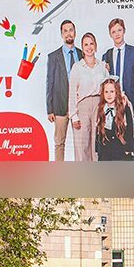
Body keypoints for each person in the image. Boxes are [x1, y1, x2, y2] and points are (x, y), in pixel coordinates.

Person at [103, 18, 134, 134]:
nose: (117, 34)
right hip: (112, 102)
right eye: (113, 32)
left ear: (124, 31)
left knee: (130, 136)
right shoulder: (106, 55)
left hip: (131, 101)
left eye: (119, 30)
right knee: (113, 137)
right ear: (110, 35)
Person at [43, 20, 80, 161]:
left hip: (78, 106)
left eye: (71, 30)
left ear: (75, 33)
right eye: (65, 31)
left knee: (80, 144)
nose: (68, 33)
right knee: (59, 143)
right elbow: (49, 82)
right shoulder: (53, 57)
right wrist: (49, 108)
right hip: (59, 106)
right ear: (61, 34)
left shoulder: (82, 54)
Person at [65, 31, 105, 162]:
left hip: (99, 107)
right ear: (82, 49)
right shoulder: (77, 67)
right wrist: (74, 115)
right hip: (82, 107)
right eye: (86, 44)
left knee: (97, 144)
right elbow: (71, 92)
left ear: (96, 46)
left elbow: (110, 88)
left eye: (91, 43)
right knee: (82, 145)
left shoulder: (103, 67)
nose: (89, 47)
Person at [93, 78, 134, 162]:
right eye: (106, 92)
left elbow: (130, 128)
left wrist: (129, 148)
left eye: (112, 91)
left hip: (121, 150)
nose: (109, 95)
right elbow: (98, 131)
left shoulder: (124, 107)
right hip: (105, 150)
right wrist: (98, 149)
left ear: (117, 92)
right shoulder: (101, 108)